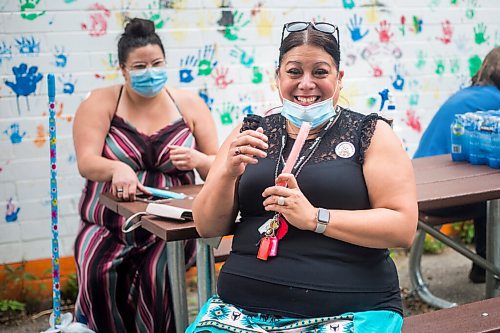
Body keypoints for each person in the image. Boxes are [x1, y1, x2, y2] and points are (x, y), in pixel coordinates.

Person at [190, 21, 418, 333]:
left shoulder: (371, 133)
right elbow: (207, 227)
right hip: (239, 312)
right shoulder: (250, 132)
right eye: (294, 72)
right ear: (277, 78)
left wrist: (315, 218)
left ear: (339, 78)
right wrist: (227, 174)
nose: (306, 84)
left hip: (349, 311)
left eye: (320, 72)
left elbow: (402, 227)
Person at [72, 18, 218, 332]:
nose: (150, 72)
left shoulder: (189, 104)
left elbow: (219, 166)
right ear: (122, 69)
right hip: (110, 222)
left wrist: (198, 158)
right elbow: (86, 161)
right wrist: (116, 167)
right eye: (139, 66)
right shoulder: (101, 102)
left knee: (158, 276)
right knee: (98, 272)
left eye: (157, 63)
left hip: (172, 226)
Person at [414, 46, 500, 283]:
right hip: (441, 197)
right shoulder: (495, 103)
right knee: (494, 200)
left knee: (491, 198)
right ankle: (488, 267)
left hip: (420, 190)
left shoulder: (467, 95)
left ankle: (485, 267)